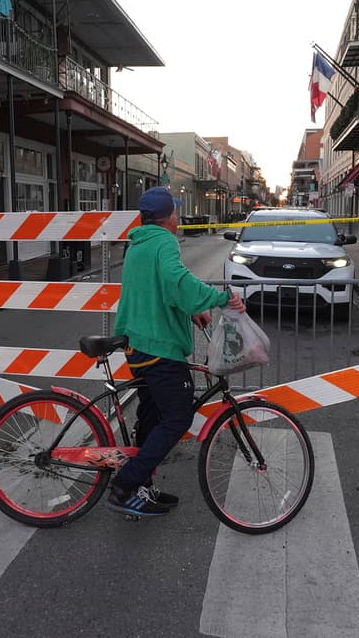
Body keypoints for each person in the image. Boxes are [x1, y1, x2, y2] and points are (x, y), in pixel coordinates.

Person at [109, 186, 245, 517]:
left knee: (152, 416)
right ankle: (126, 483)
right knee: (178, 416)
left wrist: (189, 310)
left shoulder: (138, 244)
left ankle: (141, 486)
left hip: (137, 344)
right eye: (176, 212)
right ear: (170, 216)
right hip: (159, 348)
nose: (177, 218)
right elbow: (177, 281)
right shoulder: (165, 242)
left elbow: (157, 291)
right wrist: (220, 297)